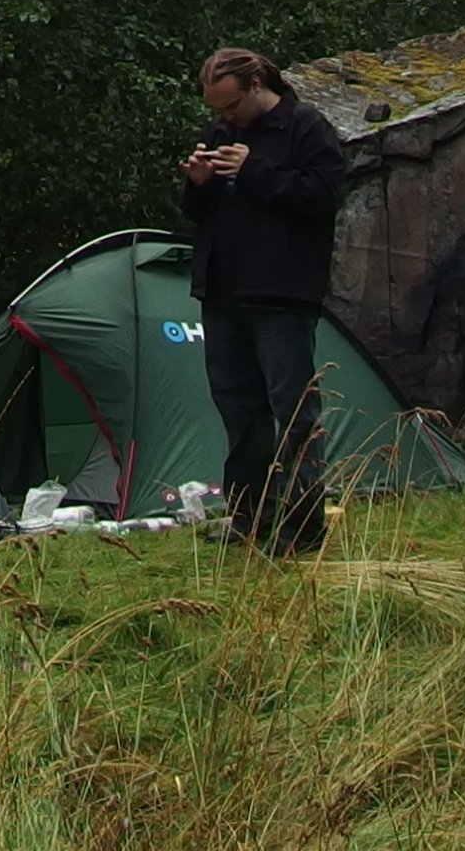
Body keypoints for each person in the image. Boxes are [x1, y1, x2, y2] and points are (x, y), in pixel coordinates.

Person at [179, 44, 345, 553]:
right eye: (216, 109)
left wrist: (254, 170)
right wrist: (199, 184)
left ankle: (302, 526)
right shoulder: (221, 132)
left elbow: (324, 197)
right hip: (223, 292)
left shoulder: (306, 126)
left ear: (256, 85)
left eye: (231, 105)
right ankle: (247, 516)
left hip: (282, 293)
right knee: (238, 410)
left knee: (293, 412)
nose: (224, 117)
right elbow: (196, 212)